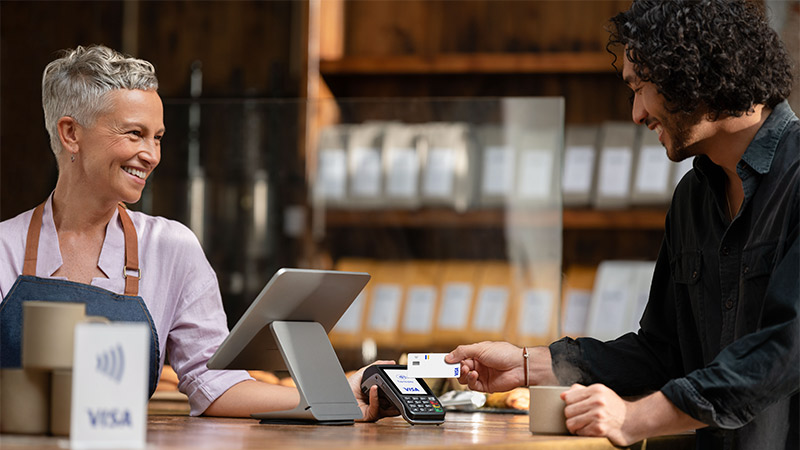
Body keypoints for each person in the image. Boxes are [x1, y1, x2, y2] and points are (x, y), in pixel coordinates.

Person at [446, 1, 798, 449]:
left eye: (642, 87)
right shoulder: (691, 198)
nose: (636, 113)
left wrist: (634, 418)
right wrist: (528, 364)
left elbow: (786, 351)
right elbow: (661, 353)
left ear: (694, 72)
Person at [0, 45, 389, 420]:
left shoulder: (171, 247)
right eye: (134, 134)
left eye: (157, 137)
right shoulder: (5, 248)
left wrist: (337, 396)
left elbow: (213, 382)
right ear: (71, 134)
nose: (151, 155)